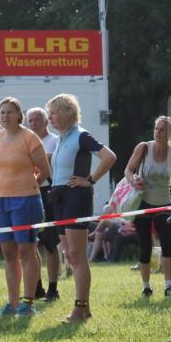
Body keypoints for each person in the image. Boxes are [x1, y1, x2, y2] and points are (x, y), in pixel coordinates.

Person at [46, 94, 117, 322]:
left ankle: (80, 308)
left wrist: (91, 179)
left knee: (77, 255)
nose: (50, 118)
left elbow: (109, 157)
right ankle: (82, 308)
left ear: (67, 113)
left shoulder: (81, 136)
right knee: (70, 254)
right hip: (59, 197)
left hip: (76, 197)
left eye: (54, 112)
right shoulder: (60, 139)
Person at [0, 98, 51, 318]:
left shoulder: (29, 138)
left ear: (18, 115)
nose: (5, 116)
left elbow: (44, 170)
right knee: (8, 253)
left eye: (9, 112)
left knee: (26, 251)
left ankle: (28, 302)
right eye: (2, 112)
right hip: (0, 200)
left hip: (26, 199)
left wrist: (32, 184)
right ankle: (12, 303)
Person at [124, 115, 171, 297]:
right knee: (145, 246)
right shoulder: (143, 147)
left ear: (170, 133)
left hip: (163, 203)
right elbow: (128, 170)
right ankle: (146, 287)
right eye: (156, 128)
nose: (157, 132)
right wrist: (133, 181)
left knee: (166, 243)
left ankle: (169, 286)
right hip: (142, 202)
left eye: (162, 129)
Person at [26, 106, 62, 301]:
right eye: (30, 120)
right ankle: (36, 287)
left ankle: (53, 288)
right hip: (28, 193)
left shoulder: (54, 142)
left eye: (37, 119)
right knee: (31, 244)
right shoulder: (26, 142)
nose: (33, 123)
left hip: (48, 193)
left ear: (46, 121)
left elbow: (46, 168)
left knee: (50, 243)